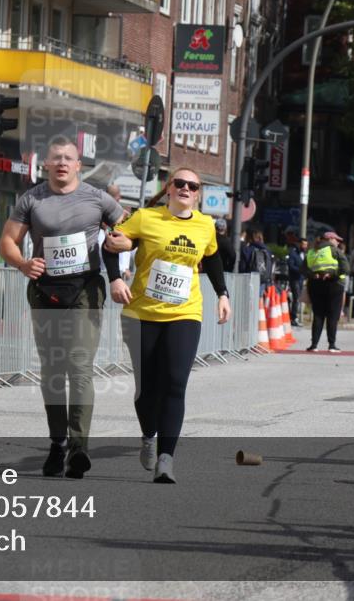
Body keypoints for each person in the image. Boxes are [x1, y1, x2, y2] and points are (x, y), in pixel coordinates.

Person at [0, 136, 124, 479]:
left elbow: (128, 231)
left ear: (78, 165)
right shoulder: (32, 199)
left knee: (79, 366)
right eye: (56, 158)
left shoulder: (97, 198)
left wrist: (122, 251)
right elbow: (7, 241)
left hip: (85, 289)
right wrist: (23, 264)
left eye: (69, 158)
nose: (63, 163)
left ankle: (79, 447)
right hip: (45, 291)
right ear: (46, 164)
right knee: (53, 371)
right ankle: (58, 443)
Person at [103, 168, 231, 483]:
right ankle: (149, 435)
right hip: (142, 314)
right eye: (180, 183)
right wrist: (116, 279)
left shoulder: (205, 225)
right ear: (169, 188)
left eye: (193, 185)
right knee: (147, 388)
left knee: (175, 383)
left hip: (185, 313)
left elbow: (213, 259)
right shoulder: (146, 218)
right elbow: (110, 245)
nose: (186, 188)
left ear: (198, 194)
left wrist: (223, 294)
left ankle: (166, 459)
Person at [301, 231, 349, 353]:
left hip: (315, 285)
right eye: (336, 240)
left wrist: (313, 275)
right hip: (334, 285)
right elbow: (346, 268)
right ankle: (332, 345)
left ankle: (314, 345)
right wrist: (332, 274)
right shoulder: (334, 251)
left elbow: (303, 269)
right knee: (333, 315)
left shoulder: (311, 251)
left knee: (318, 315)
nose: (338, 242)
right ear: (330, 239)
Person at [98, 185, 133, 282]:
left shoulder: (123, 216)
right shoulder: (124, 216)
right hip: (112, 271)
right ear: (119, 197)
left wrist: (125, 267)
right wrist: (125, 267)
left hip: (106, 271)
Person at [240, 229, 274, 295]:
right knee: (259, 297)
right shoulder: (267, 250)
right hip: (263, 279)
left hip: (249, 279)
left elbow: (242, 267)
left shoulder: (247, 250)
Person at [286, 237, 307, 326]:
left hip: (301, 279)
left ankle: (294, 316)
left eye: (306, 245)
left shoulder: (304, 254)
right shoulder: (293, 253)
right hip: (294, 279)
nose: (305, 246)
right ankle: (293, 318)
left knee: (298, 298)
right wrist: (300, 270)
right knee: (296, 298)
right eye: (303, 244)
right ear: (299, 244)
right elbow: (291, 266)